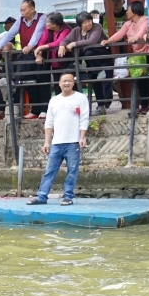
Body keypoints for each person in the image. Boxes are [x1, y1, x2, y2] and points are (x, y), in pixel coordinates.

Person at [29, 72, 89, 206]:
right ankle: (42, 196)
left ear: (73, 83)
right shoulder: (54, 100)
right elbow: (49, 122)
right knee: (49, 170)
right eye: (64, 81)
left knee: (72, 170)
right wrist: (46, 142)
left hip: (73, 142)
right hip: (57, 142)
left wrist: (82, 137)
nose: (67, 83)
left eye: (69, 81)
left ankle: (68, 196)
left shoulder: (80, 98)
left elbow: (84, 119)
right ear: (59, 84)